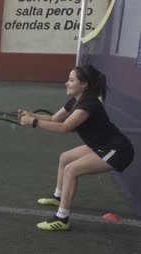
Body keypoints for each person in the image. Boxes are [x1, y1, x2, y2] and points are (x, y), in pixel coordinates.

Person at [20, 64, 134, 231]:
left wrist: (34, 122)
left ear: (84, 84)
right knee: (65, 158)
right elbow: (54, 119)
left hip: (117, 150)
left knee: (71, 170)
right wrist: (30, 114)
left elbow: (65, 127)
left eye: (71, 80)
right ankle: (59, 197)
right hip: (100, 145)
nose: (67, 83)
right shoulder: (76, 100)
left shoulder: (88, 104)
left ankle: (62, 218)